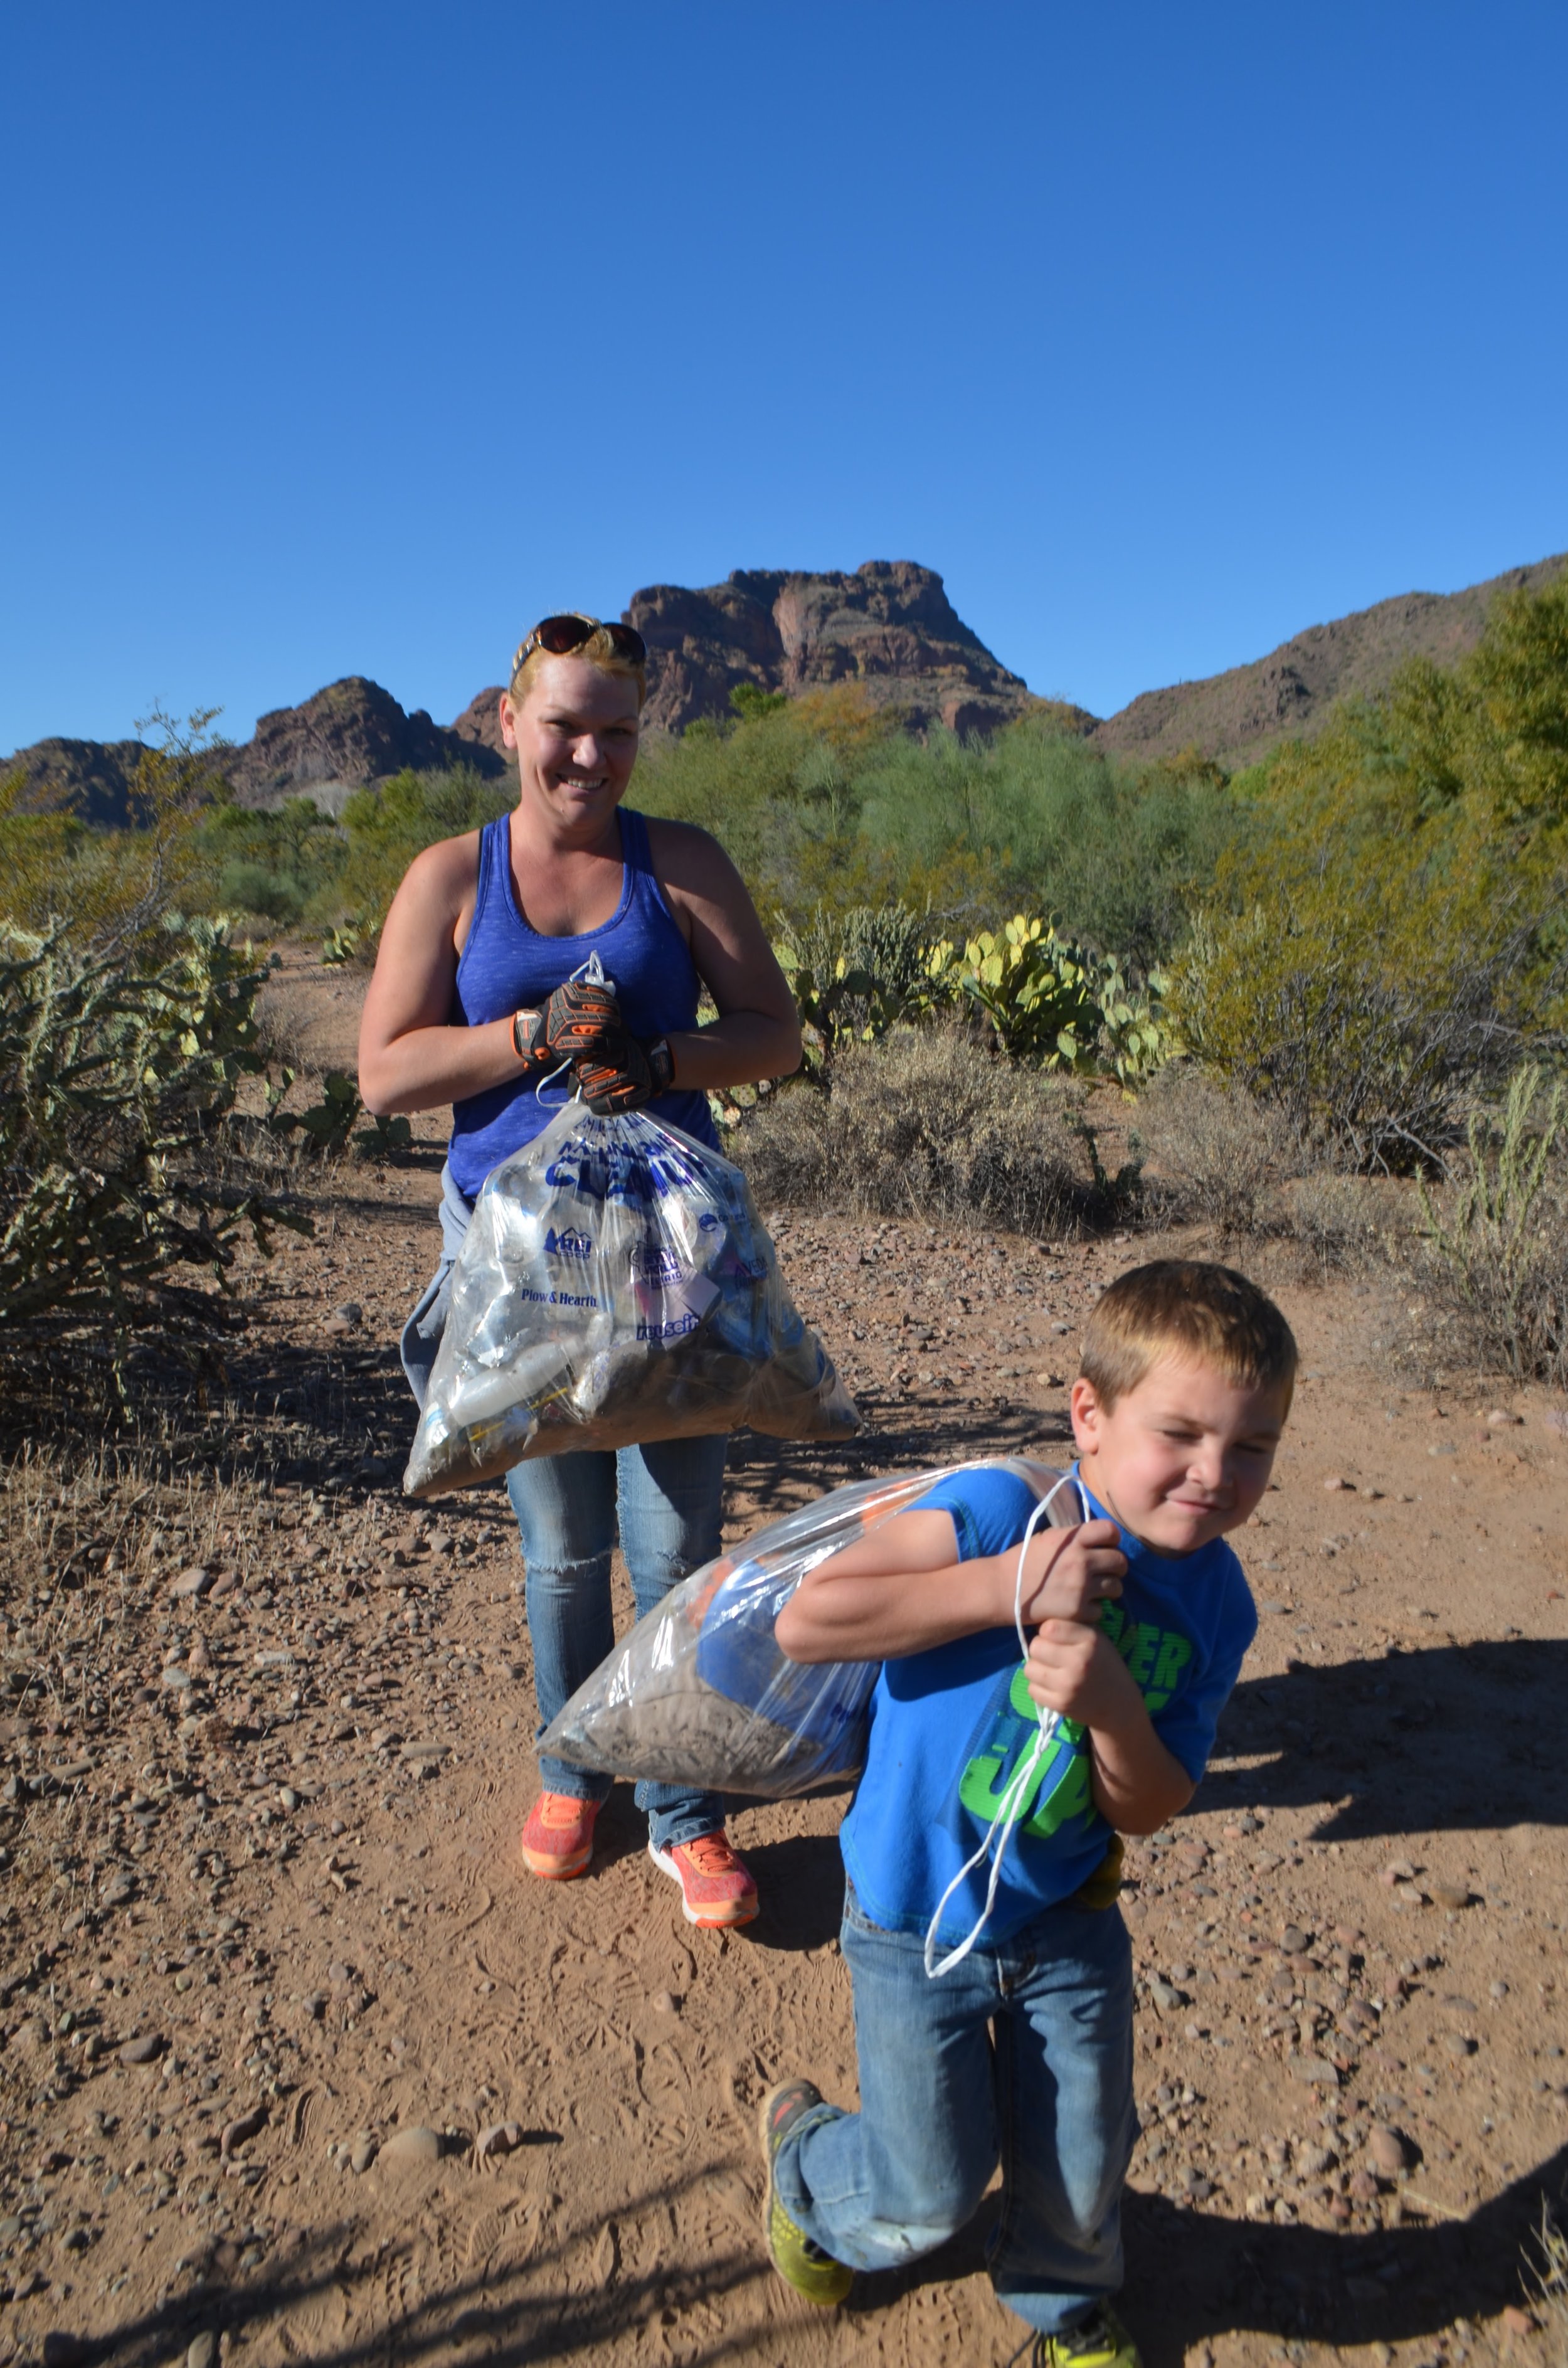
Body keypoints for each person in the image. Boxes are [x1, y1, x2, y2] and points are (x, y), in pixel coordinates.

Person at [758, 1260, 1296, 2364]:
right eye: (1181, 1434)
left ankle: (1062, 2306)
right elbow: (810, 1621)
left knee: (1085, 2160)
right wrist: (1014, 1583)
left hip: (1065, 1924)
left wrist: (1113, 1714)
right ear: (1088, 1417)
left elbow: (1148, 1805)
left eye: (1252, 1447)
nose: (1214, 1475)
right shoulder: (1009, 1508)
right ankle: (809, 2168)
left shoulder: (1218, 1601)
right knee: (927, 2190)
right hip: (915, 1923)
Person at [358, 613, 802, 1929]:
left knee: (676, 1545)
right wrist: (523, 1032)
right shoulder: (451, 875)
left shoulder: (683, 863)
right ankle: (572, 1768)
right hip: (512, 1252)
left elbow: (771, 1035)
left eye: (616, 728)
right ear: (508, 724)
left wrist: (661, 1061)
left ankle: (682, 1807)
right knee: (562, 1546)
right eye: (564, 725)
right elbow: (384, 1073)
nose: (589, 754)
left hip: (668, 1249)